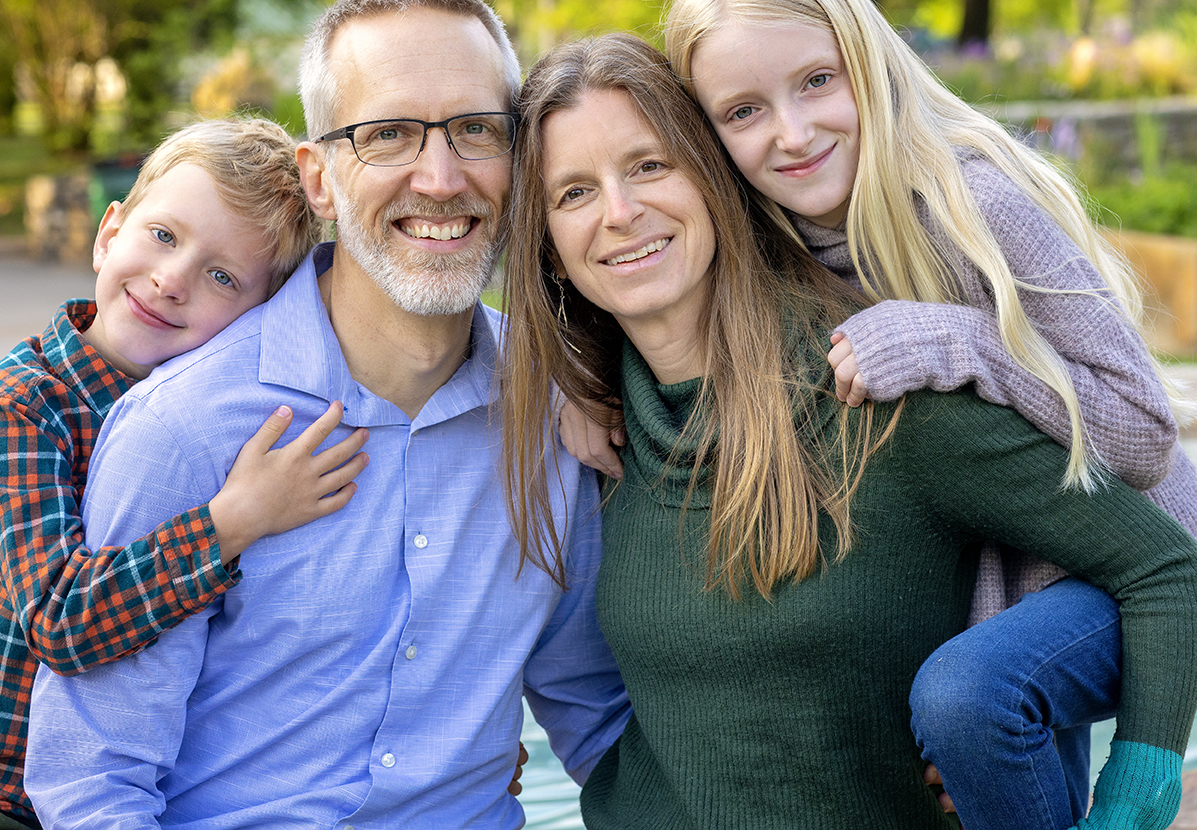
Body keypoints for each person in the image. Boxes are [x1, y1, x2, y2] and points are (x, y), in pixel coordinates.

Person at [502, 32, 1197, 830]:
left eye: (649, 165)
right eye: (573, 194)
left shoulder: (878, 383)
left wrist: (1137, 793)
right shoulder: (592, 432)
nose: (620, 213)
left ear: (714, 182)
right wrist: (572, 383)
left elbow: (1163, 561)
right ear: (548, 248)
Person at [22, 1, 629, 827]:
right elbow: (94, 783)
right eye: (388, 134)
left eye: (476, 130)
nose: (442, 178)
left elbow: (593, 712)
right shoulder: (186, 427)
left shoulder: (560, 411)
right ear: (319, 179)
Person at [0, 116, 370, 830]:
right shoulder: (25, 404)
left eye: (222, 276)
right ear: (110, 233)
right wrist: (233, 521)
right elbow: (58, 619)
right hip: (18, 796)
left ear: (259, 317)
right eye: (163, 236)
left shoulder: (228, 423)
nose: (171, 281)